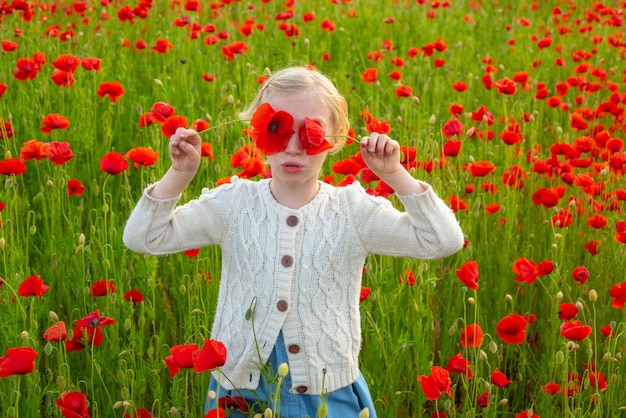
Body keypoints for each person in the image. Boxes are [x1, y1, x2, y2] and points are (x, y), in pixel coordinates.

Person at [123, 66, 464, 418]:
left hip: (326, 391)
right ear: (257, 131)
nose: (294, 147)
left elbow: (442, 240)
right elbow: (144, 237)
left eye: (312, 132)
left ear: (337, 137)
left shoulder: (353, 212)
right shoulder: (234, 205)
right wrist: (179, 174)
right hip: (241, 390)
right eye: (277, 129)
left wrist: (394, 173)